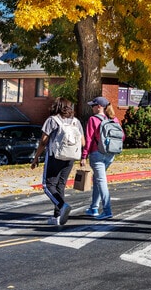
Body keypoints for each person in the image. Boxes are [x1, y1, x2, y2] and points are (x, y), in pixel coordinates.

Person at [31, 97, 85, 226]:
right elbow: (83, 142)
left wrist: (36, 157)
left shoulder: (52, 120)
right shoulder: (76, 122)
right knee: (60, 185)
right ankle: (58, 217)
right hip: (70, 157)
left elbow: (43, 141)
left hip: (55, 156)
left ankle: (62, 206)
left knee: (48, 185)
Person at [81, 96, 123, 220]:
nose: (91, 108)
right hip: (110, 154)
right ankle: (94, 207)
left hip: (97, 153)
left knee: (101, 181)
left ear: (99, 106)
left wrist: (84, 156)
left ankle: (107, 210)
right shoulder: (114, 119)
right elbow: (122, 136)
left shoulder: (93, 119)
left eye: (93, 105)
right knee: (98, 179)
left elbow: (88, 139)